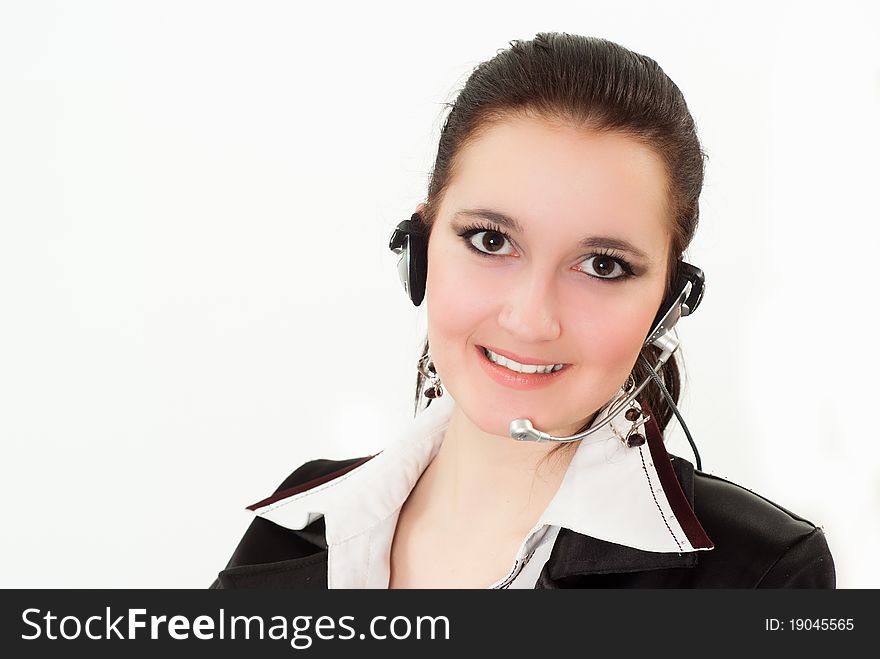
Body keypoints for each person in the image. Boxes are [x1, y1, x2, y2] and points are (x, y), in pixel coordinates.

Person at [211, 32, 835, 589]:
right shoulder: (294, 527)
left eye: (603, 265)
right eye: (491, 241)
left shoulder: (763, 574)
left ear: (668, 306)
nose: (531, 319)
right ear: (420, 250)